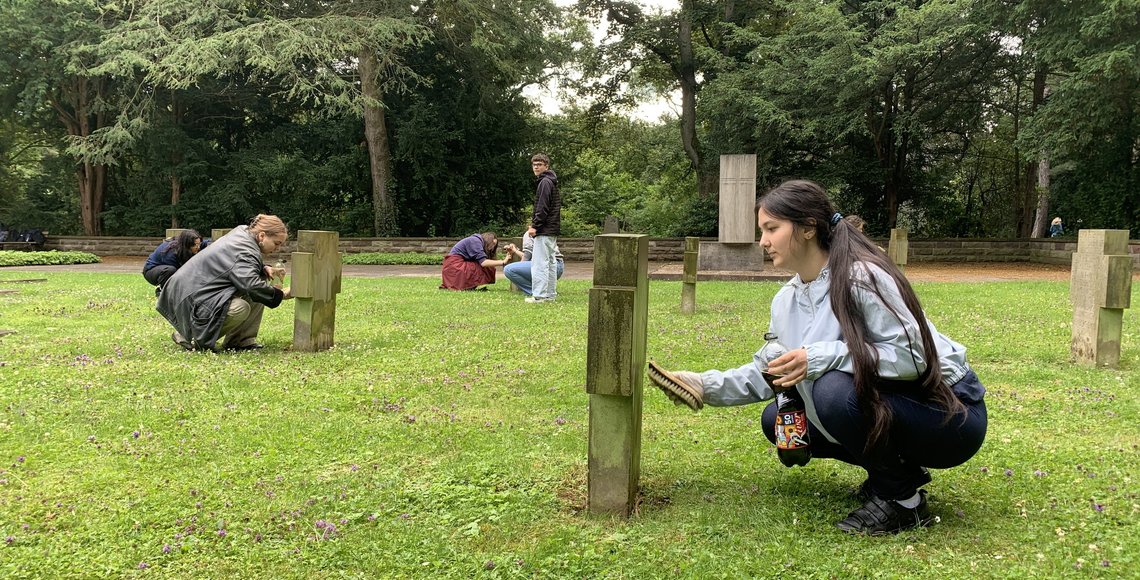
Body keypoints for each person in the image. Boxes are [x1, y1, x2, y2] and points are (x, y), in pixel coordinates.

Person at [649, 179, 987, 535]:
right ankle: (895, 472)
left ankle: (903, 501)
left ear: (809, 228)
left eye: (771, 229)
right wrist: (703, 385)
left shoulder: (863, 277)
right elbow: (775, 369)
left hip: (949, 414)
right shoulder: (786, 300)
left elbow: (915, 358)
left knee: (831, 391)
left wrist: (822, 356)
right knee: (778, 421)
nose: (763, 241)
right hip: (899, 410)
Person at [156, 214, 293, 352]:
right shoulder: (245, 249)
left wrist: (263, 268)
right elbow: (251, 284)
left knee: (260, 280)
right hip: (189, 297)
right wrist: (281, 294)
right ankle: (193, 337)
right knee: (240, 307)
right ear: (262, 236)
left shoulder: (243, 231)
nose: (278, 248)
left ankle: (239, 341)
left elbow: (235, 262)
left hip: (189, 290)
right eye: (277, 243)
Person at [527, 153, 561, 303]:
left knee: (540, 263)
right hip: (552, 229)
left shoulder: (545, 182)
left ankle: (539, 296)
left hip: (545, 229)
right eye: (534, 164)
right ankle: (550, 294)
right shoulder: (550, 181)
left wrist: (535, 226)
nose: (536, 167)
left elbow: (542, 207)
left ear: (546, 166)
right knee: (551, 262)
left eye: (539, 164)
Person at [439, 232, 511, 291]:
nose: (493, 247)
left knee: (487, 266)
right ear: (488, 239)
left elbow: (490, 260)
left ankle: (468, 287)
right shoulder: (475, 241)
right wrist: (503, 262)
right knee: (479, 267)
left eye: (495, 245)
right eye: (492, 243)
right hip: (454, 266)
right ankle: (465, 287)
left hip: (454, 266)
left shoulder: (478, 242)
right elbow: (484, 263)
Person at [503, 232, 564, 296]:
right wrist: (515, 251)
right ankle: (545, 291)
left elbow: (527, 256)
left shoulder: (529, 234)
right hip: (558, 267)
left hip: (545, 268)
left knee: (509, 270)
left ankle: (536, 292)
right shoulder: (547, 233)